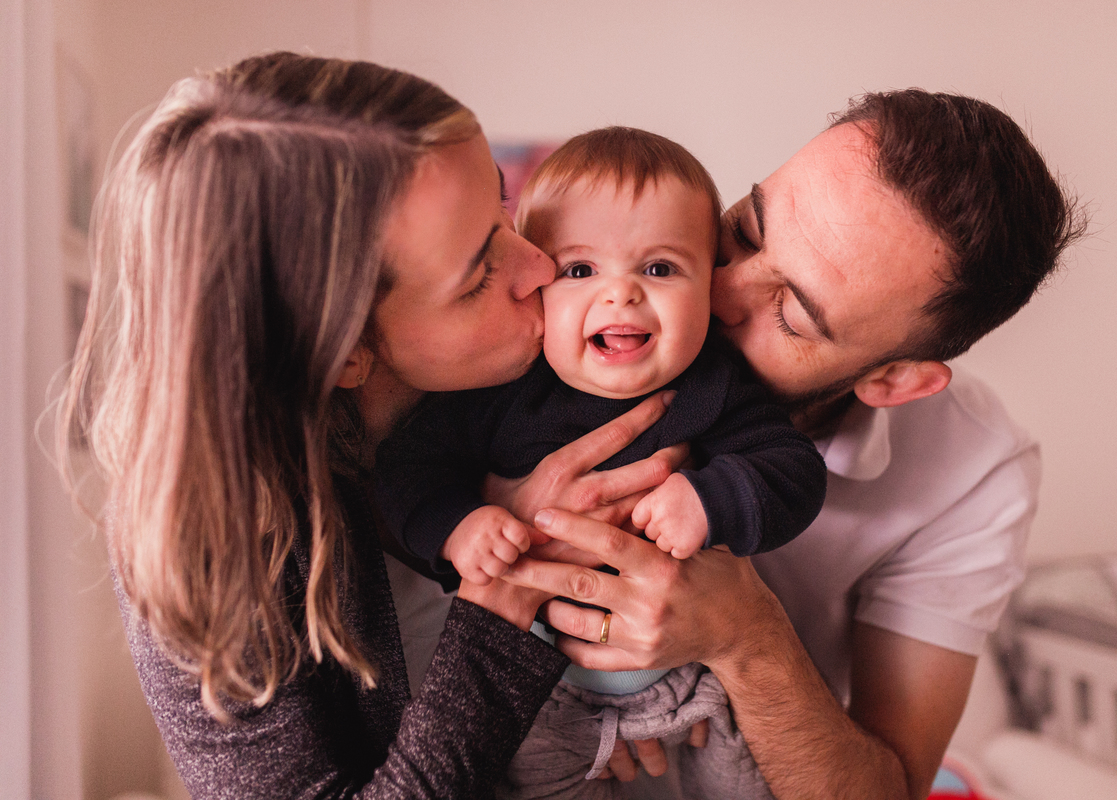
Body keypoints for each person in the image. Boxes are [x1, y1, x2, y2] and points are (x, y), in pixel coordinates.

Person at [52, 51, 692, 799]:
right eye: (480, 272)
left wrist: (620, 699)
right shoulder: (210, 548)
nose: (540, 267)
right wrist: (506, 606)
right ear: (347, 351)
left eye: (503, 207)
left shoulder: (560, 365)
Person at [490, 89, 1087, 800]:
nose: (713, 292)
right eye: (745, 229)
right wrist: (503, 516)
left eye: (791, 314)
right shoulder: (528, 333)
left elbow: (887, 789)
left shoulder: (973, 472)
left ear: (893, 379)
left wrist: (746, 637)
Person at [374, 127, 825, 799]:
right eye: (580, 271)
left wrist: (711, 499)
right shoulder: (499, 390)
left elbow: (792, 471)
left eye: (661, 268)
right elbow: (407, 475)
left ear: (710, 287)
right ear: (535, 285)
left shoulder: (713, 386)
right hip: (538, 685)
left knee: (749, 782)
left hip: (692, 678)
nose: (622, 296)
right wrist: (462, 528)